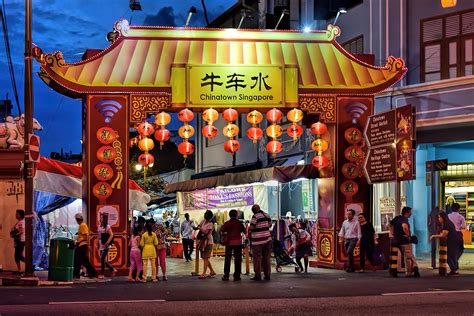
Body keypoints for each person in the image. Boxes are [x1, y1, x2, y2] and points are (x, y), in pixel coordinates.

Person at [392, 206, 420, 277]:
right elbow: (404, 226)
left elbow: (389, 224)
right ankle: (410, 271)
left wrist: (393, 232)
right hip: (404, 241)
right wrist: (408, 235)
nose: (411, 213)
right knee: (408, 256)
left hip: (397, 240)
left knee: (408, 255)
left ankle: (414, 268)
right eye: (410, 212)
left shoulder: (397, 218)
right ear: (407, 213)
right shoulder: (404, 219)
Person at [220, 209, 246, 281]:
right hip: (238, 243)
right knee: (237, 259)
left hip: (229, 243)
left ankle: (226, 275)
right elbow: (244, 231)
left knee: (227, 259)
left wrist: (226, 234)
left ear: (229, 215)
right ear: (237, 215)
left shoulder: (227, 223)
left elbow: (221, 230)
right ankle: (237, 276)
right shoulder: (239, 223)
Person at [248, 204, 272, 281]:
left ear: (253, 210)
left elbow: (251, 227)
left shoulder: (255, 216)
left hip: (257, 241)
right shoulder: (266, 215)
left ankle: (258, 275)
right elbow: (270, 224)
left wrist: (249, 228)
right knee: (266, 258)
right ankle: (267, 274)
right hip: (267, 239)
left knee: (257, 258)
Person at [73, 213, 97, 279]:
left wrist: (88, 245)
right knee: (84, 261)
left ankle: (76, 275)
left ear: (77, 220)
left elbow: (86, 235)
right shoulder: (81, 225)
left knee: (77, 260)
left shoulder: (83, 225)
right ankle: (93, 273)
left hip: (82, 245)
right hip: (81, 245)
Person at [97, 213, 117, 279]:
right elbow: (99, 235)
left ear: (104, 219)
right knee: (102, 259)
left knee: (102, 258)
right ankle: (112, 269)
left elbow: (111, 235)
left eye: (102, 217)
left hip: (106, 244)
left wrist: (107, 242)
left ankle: (102, 274)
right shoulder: (99, 225)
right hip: (100, 243)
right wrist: (97, 243)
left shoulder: (107, 226)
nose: (100, 218)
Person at [198, 210, 216, 279]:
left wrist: (200, 229)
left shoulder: (211, 224)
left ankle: (204, 273)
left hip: (208, 242)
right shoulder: (203, 221)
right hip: (202, 241)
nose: (205, 215)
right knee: (204, 258)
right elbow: (199, 227)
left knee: (205, 258)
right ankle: (212, 271)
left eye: (207, 214)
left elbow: (206, 233)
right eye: (205, 214)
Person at [11, 209, 25, 274]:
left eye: (17, 214)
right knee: (18, 256)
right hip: (18, 241)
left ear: (20, 215)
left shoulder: (21, 222)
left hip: (20, 241)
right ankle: (19, 270)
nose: (16, 215)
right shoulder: (19, 222)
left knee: (19, 256)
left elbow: (21, 231)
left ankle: (30, 266)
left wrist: (14, 234)